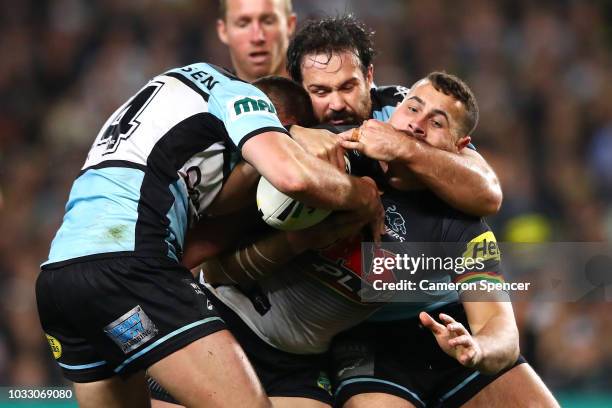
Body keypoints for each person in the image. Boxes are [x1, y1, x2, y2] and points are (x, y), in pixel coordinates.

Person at [186, 72, 558, 407]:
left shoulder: (461, 222)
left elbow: (502, 331)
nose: (417, 124)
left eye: (437, 122)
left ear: (462, 148)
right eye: (412, 107)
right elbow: (215, 265)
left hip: (434, 328)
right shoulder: (335, 157)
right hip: (326, 337)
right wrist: (297, 137)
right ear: (393, 112)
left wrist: (477, 348)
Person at [35, 62, 383, 408]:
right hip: (129, 264)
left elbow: (200, 241)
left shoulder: (173, 104)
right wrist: (361, 196)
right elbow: (292, 177)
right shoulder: (239, 95)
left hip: (60, 277)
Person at [286, 15, 502, 216]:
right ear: (299, 89)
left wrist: (403, 146)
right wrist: (293, 133)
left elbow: (488, 195)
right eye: (321, 92)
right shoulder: (286, 111)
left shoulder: (401, 109)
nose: (337, 104)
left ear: (369, 76)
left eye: (347, 87)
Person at [216, 0, 296, 82]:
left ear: (290, 25)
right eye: (243, 24)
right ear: (223, 31)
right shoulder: (212, 94)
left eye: (268, 22)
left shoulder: (309, 93)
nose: (257, 38)